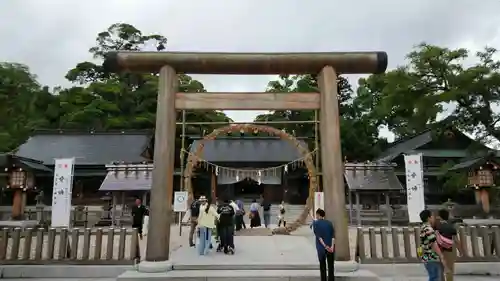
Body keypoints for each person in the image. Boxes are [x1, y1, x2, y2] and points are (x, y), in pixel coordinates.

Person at [419, 209, 447, 281]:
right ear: (429, 218)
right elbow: (433, 243)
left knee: (433, 277)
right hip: (432, 257)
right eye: (432, 216)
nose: (433, 218)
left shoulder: (423, 227)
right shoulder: (428, 229)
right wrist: (441, 256)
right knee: (435, 278)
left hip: (426, 257)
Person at [436, 209, 463, 281]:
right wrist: (460, 251)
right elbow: (456, 241)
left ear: (439, 217)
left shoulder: (436, 227)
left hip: (438, 250)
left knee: (440, 269)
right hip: (450, 249)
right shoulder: (451, 227)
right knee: (449, 269)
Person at [311, 208, 334, 281]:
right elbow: (333, 237)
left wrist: (325, 246)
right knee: (331, 266)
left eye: (316, 214)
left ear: (318, 215)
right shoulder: (329, 223)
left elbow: (319, 237)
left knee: (323, 266)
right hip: (331, 248)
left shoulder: (316, 224)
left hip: (321, 248)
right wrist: (332, 247)